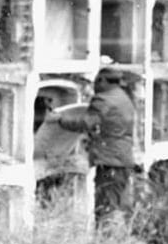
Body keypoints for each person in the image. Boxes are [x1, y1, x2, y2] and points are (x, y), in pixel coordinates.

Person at [54, 67, 136, 223]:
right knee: (120, 204)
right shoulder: (123, 97)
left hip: (109, 160)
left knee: (105, 206)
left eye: (96, 82)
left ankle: (104, 242)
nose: (94, 87)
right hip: (123, 158)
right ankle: (120, 241)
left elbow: (87, 122)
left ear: (103, 81)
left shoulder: (103, 99)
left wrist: (59, 119)